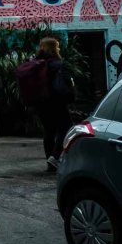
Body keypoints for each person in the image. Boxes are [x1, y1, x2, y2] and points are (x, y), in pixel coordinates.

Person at [35, 37, 74, 172]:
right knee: (66, 128)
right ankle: (55, 157)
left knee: (49, 131)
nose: (59, 49)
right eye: (57, 47)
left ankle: (50, 161)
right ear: (53, 48)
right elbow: (67, 84)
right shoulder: (59, 64)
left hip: (41, 103)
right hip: (57, 103)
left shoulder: (38, 63)